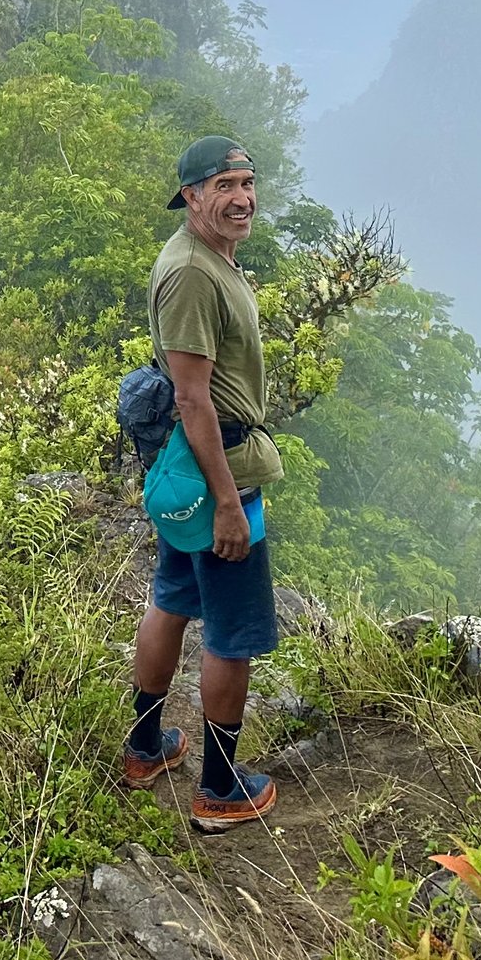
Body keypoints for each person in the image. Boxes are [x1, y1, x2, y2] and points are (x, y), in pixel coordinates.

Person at [122, 134, 282, 831]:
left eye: (247, 181)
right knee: (232, 634)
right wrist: (226, 504)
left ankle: (145, 746)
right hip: (218, 476)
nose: (242, 196)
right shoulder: (191, 273)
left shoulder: (210, 256)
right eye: (224, 185)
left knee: (174, 596)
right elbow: (192, 398)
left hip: (188, 476)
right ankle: (220, 787)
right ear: (191, 195)